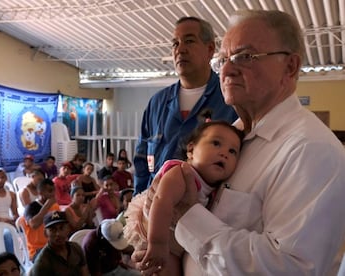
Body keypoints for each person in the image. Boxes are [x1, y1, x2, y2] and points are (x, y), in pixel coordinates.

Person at [135, 10, 345, 276]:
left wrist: (186, 216)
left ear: (290, 67)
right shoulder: (229, 137)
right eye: (222, 59)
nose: (227, 69)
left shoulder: (312, 151)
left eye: (245, 57)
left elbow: (288, 268)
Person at [133, 16, 238, 195]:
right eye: (175, 44)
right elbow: (142, 159)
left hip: (207, 213)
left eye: (189, 41)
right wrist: (136, 206)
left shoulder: (230, 101)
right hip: (153, 209)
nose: (180, 49)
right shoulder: (157, 103)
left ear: (210, 49)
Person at [126, 121, 243, 275]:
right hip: (158, 233)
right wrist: (158, 243)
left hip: (176, 242)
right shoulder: (181, 172)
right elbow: (162, 201)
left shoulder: (213, 187)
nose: (224, 153)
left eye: (232, 151)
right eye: (216, 143)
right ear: (191, 149)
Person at [31, 210, 89, 275]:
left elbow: (85, 273)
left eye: (61, 228)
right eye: (53, 230)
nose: (58, 234)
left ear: (68, 229)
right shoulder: (42, 262)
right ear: (45, 233)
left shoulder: (76, 248)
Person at [23, 178, 60, 261]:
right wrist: (47, 206)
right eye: (50, 191)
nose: (53, 194)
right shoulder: (31, 207)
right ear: (40, 193)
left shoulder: (55, 206)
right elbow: (34, 225)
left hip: (54, 245)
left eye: (54, 190)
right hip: (37, 250)